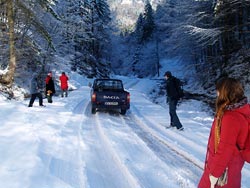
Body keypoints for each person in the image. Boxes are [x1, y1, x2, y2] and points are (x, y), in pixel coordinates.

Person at [198, 77, 250, 188]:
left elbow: (225, 148)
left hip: (223, 172)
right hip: (234, 167)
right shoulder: (243, 110)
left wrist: (214, 174)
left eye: (218, 90)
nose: (216, 93)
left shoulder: (230, 117)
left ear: (224, 92)